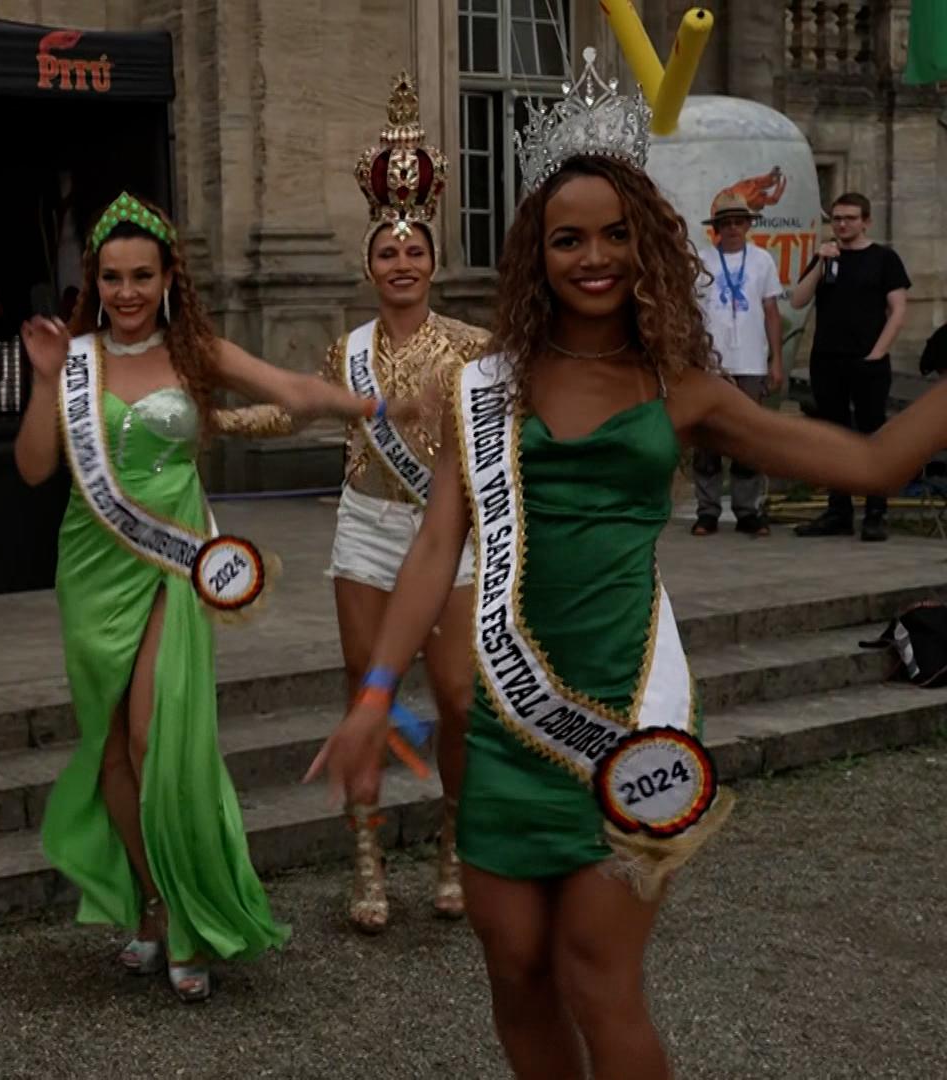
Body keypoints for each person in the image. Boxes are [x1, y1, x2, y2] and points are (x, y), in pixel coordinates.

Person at [311, 50, 947, 1079]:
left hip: (629, 721)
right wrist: (376, 691)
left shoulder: (683, 387)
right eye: (569, 238)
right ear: (538, 252)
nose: (593, 256)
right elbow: (437, 546)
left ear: (647, 243)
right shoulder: (488, 386)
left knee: (596, 975)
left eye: (614, 235)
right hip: (512, 729)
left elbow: (872, 462)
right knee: (514, 971)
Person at [16, 192, 407, 1003]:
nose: (127, 292)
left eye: (142, 276)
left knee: (158, 734)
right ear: (95, 281)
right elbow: (29, 469)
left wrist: (371, 405)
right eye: (112, 277)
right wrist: (46, 379)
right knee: (113, 749)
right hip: (92, 560)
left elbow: (296, 391)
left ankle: (196, 912)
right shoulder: (77, 359)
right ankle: (154, 908)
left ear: (167, 280)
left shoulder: (196, 352)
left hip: (174, 560)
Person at [318, 74, 486, 931]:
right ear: (369, 264)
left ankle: (454, 849)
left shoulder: (473, 347)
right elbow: (296, 409)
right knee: (365, 695)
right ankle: (367, 860)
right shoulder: (344, 351)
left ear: (433, 258)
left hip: (449, 535)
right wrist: (221, 409)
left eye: (414, 249)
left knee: (456, 696)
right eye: (387, 251)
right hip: (367, 530)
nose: (402, 262)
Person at [788, 192, 912, 541]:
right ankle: (838, 511)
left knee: (874, 434)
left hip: (868, 361)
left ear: (866, 221)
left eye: (850, 218)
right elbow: (798, 300)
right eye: (837, 218)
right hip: (827, 360)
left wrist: (877, 353)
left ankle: (875, 513)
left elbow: (899, 310)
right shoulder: (826, 255)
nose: (842, 224)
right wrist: (818, 261)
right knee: (833, 437)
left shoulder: (884, 259)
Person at [692, 192, 784, 537]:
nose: (732, 228)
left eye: (738, 222)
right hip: (711, 364)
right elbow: (690, 316)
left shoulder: (762, 261)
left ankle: (747, 510)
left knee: (748, 435)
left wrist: (776, 359)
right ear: (715, 228)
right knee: (708, 436)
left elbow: (772, 312)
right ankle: (707, 510)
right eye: (725, 223)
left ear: (747, 225)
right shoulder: (701, 261)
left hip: (750, 361)